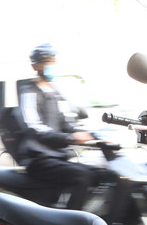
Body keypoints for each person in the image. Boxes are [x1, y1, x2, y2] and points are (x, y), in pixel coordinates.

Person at [12, 44, 96, 209]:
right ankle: (72, 222)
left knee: (99, 174)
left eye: (53, 61)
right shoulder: (29, 92)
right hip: (39, 159)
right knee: (82, 176)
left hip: (57, 157)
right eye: (48, 61)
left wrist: (86, 134)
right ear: (36, 66)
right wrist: (68, 138)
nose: (52, 65)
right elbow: (34, 127)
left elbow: (66, 123)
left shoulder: (55, 92)